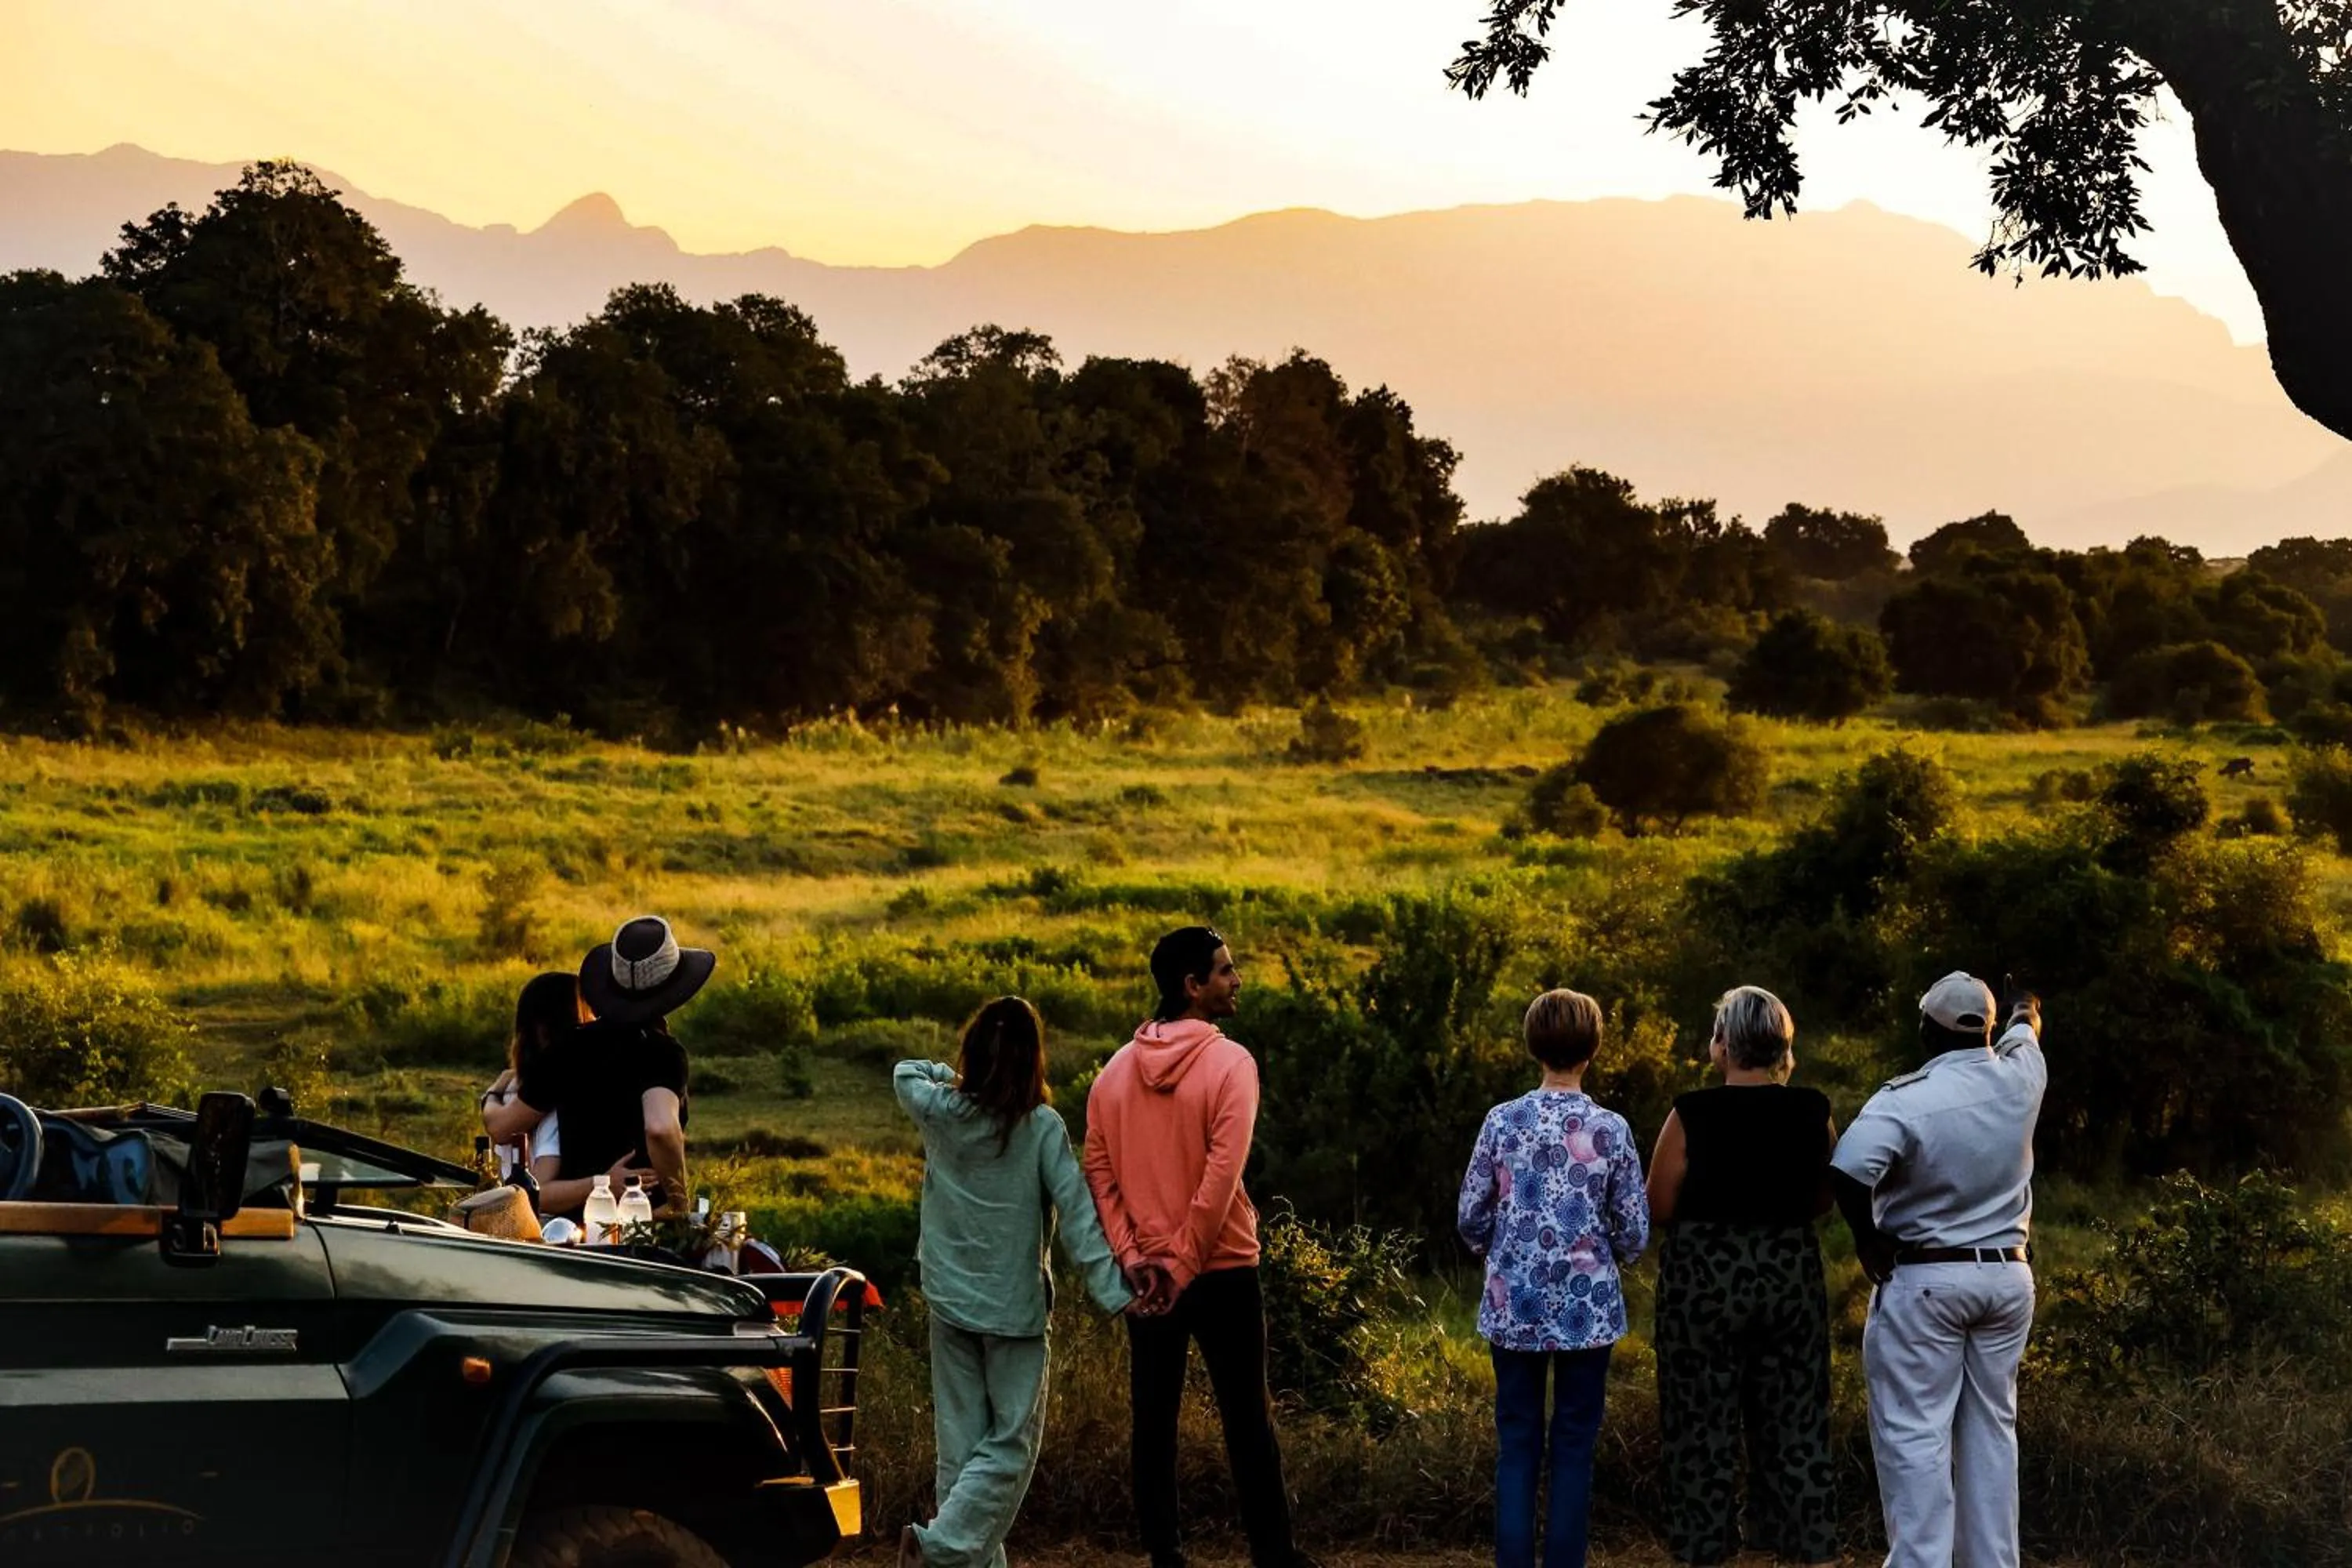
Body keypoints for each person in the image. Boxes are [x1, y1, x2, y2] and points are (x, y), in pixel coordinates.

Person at [1083, 926, 1319, 1568]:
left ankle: (1167, 1556)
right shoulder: (1232, 1064)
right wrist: (1183, 1263)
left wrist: (1135, 1258)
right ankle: (1275, 1555)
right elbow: (1221, 1177)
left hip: (1147, 1280)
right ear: (1192, 986)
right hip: (1221, 1269)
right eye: (1225, 970)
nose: (1236, 979)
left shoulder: (1112, 1074)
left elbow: (1098, 1171)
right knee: (1248, 1420)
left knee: (1152, 1422)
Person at [892, 996, 1135, 1568]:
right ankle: (937, 1548)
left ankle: (952, 1552)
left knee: (960, 1453)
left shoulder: (941, 1111)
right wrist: (1118, 1294)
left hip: (948, 1303)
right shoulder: (1041, 1127)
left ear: (973, 1054)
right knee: (1009, 1447)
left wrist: (957, 1080)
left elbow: (905, 1070)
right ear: (1034, 1062)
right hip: (1013, 1312)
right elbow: (1077, 1215)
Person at [1831, 973, 2046, 1568]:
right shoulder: (2023, 1075)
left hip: (1927, 1281)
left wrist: (1868, 1241)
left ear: (1927, 1028)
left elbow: (1848, 1171)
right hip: (2007, 1279)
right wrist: (2023, 1001)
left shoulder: (1906, 1098)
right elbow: (2028, 1025)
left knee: (1915, 1434)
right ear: (1985, 1027)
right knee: (1991, 1433)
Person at [1645, 985, 1838, 1568]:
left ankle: (1705, 1549)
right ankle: (1810, 1549)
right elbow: (1826, 1196)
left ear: (1723, 1044)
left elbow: (1657, 1204)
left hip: (1701, 1282)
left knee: (1700, 1426)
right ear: (1782, 1044)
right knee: (1797, 1421)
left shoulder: (1691, 1112)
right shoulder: (1812, 1109)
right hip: (1789, 1276)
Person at [1457, 989, 1650, 1568]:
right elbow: (1634, 1229)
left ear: (1532, 1047)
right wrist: (1607, 1255)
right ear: (1592, 1050)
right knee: (1573, 1445)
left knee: (1516, 1443)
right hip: (1588, 1310)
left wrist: (1496, 1253)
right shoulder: (1611, 1129)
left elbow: (1470, 1214)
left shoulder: (1502, 1121)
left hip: (1512, 1303)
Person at [484, 915, 710, 1220]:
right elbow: (660, 1128)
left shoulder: (569, 1046)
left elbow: (502, 1127)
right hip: (641, 1216)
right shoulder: (661, 1053)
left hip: (575, 1220)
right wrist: (678, 1202)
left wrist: (491, 1096)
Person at [477, 971, 587, 1199]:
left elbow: (498, 1127)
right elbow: (501, 1129)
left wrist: (492, 1094)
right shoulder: (559, 1081)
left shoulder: (512, 1086)